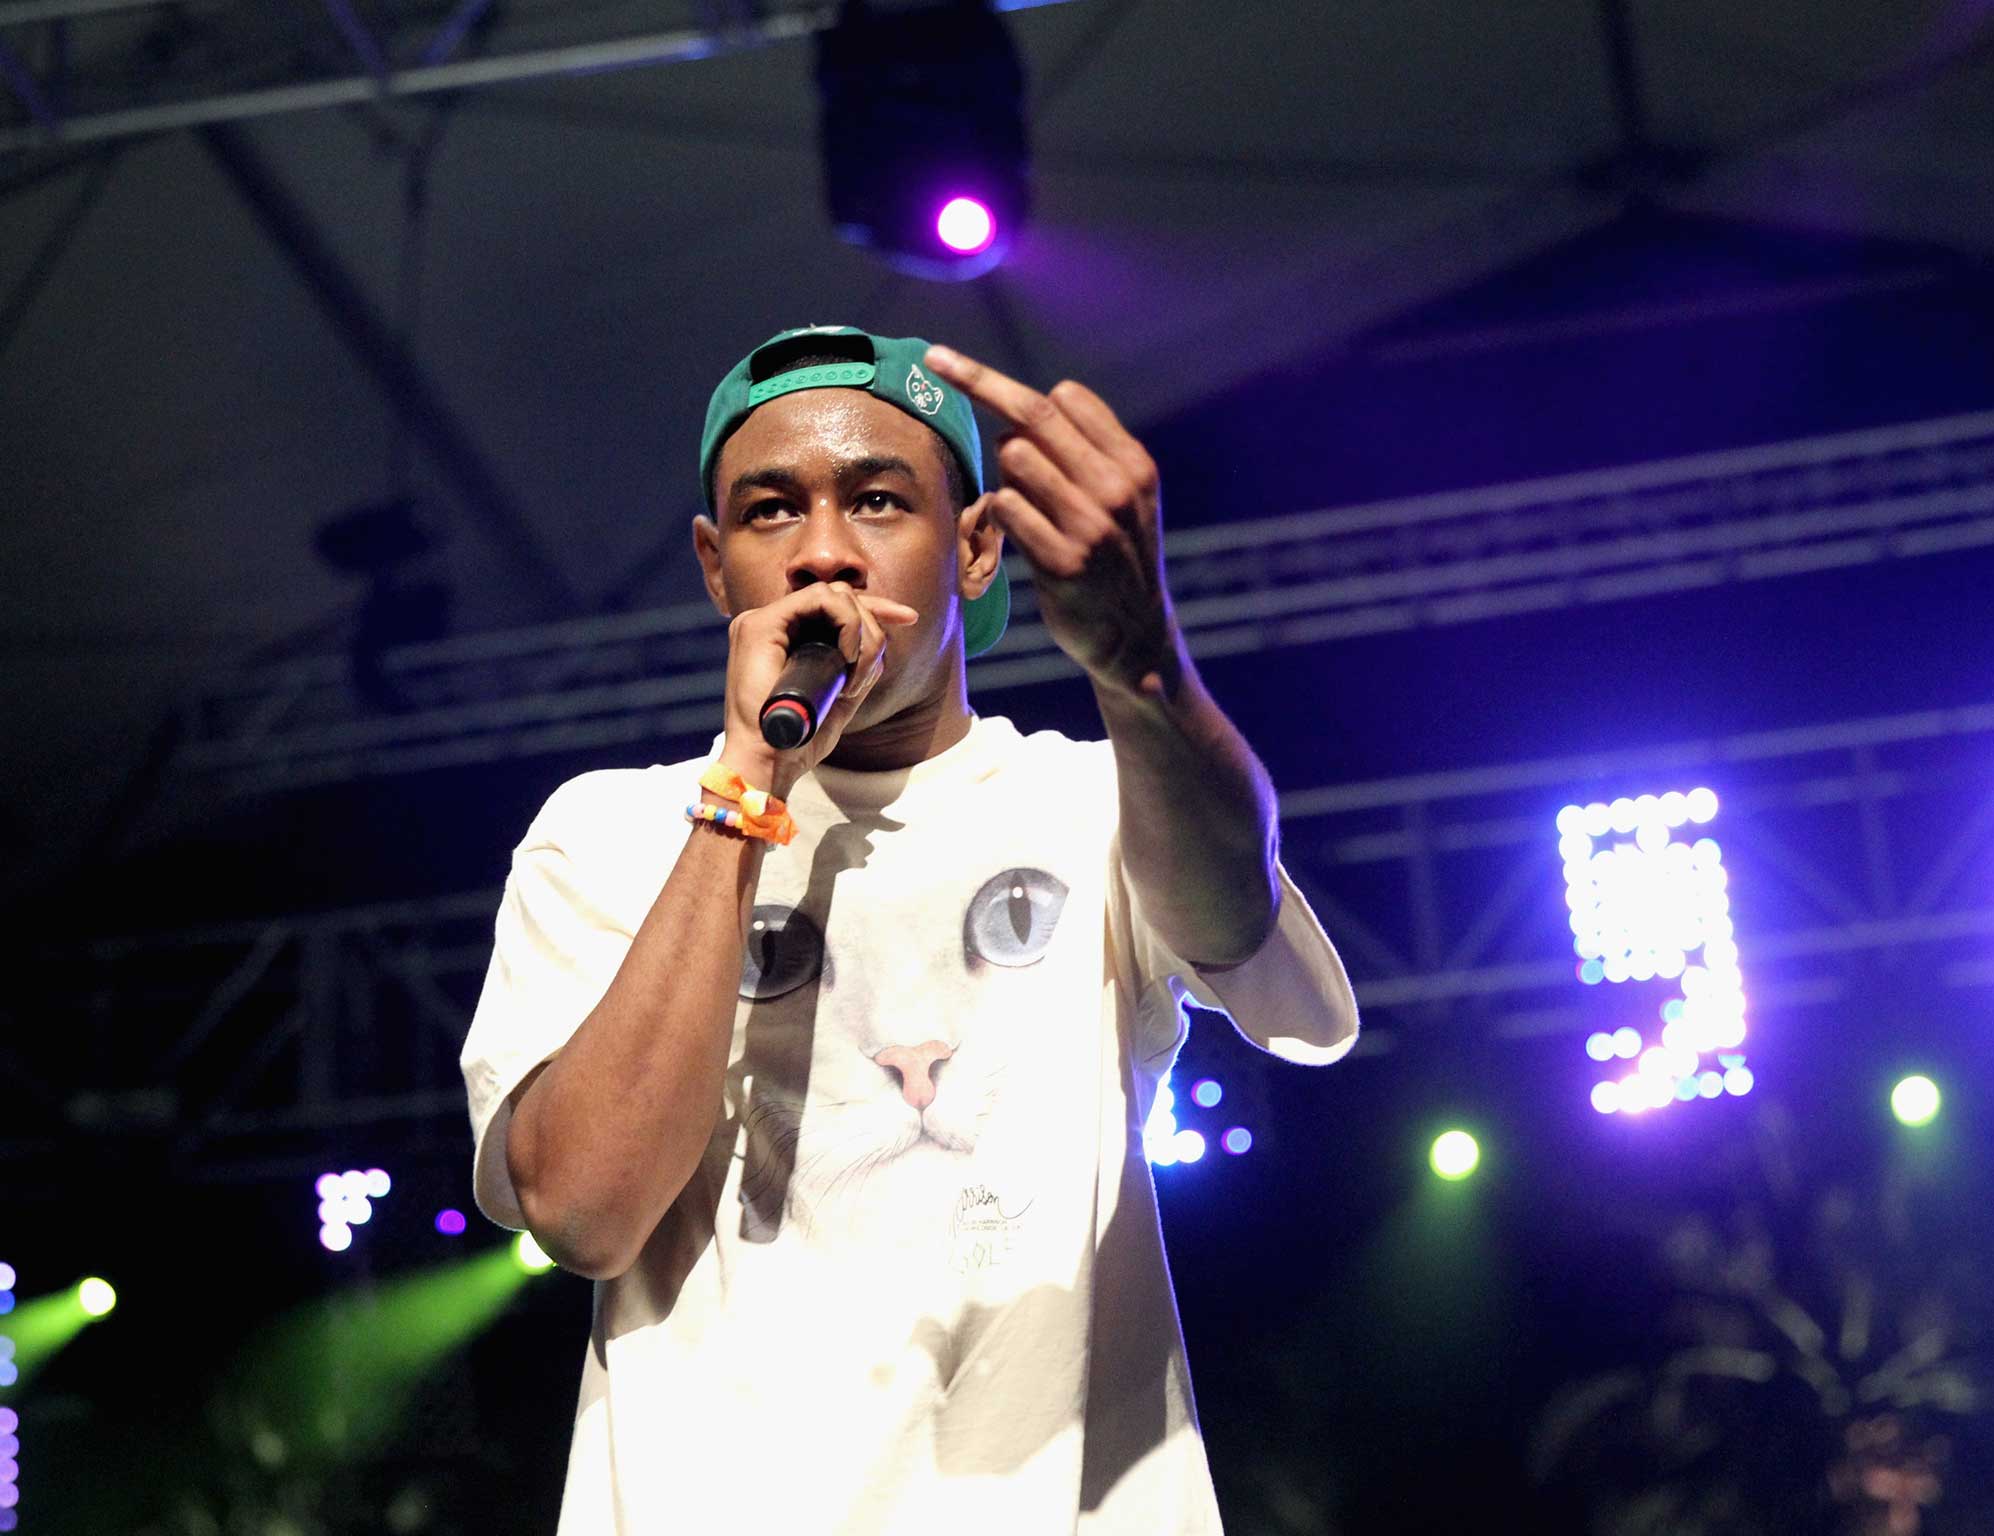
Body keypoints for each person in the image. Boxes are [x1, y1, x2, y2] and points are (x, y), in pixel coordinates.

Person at [459, 325, 1359, 1534]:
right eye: (771, 513)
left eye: (878, 500)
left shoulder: (1092, 799)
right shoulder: (610, 835)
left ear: (975, 546)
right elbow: (582, 1205)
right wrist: (750, 784)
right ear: (716, 568)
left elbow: (1241, 936)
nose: (823, 551)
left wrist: (1140, 664)